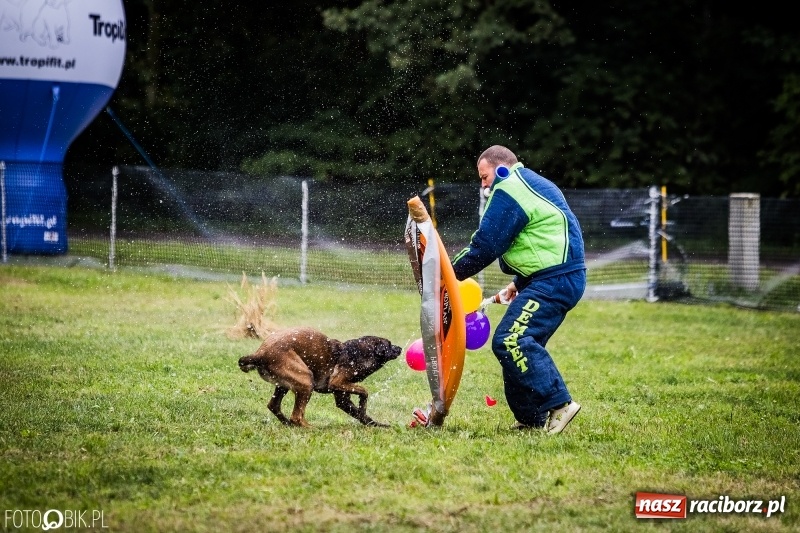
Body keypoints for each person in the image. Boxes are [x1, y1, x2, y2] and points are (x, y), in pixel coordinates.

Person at [451, 145, 586, 434]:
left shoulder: (510, 187)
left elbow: (487, 244)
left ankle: (560, 404)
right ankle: (530, 418)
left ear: (501, 168)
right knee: (516, 342)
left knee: (511, 339)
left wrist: (447, 275)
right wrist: (519, 283)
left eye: (484, 176)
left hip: (554, 280)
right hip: (554, 277)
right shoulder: (532, 183)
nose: (483, 185)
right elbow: (547, 236)